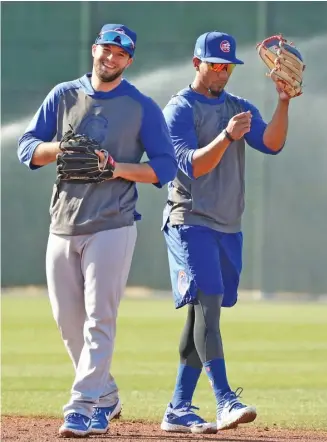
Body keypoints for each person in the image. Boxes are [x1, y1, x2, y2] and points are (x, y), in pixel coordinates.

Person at [18, 23, 177, 438]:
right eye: (106, 49)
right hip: (63, 222)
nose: (111, 58)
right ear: (94, 50)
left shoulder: (141, 106)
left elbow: (164, 167)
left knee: (98, 319)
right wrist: (59, 149)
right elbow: (27, 147)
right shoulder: (65, 94)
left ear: (129, 61)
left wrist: (115, 168)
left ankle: (82, 407)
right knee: (66, 320)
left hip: (113, 223)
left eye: (120, 53)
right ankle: (105, 394)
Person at [161, 31, 292, 434]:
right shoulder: (180, 108)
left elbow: (271, 144)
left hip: (227, 226)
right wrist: (226, 136)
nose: (221, 72)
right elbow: (191, 166)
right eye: (215, 64)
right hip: (189, 220)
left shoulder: (239, 107)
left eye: (227, 66)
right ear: (196, 62)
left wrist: (284, 101)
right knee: (209, 305)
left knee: (202, 314)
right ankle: (224, 401)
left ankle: (178, 408)